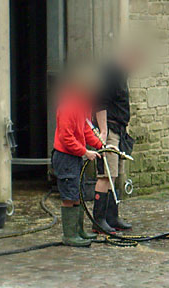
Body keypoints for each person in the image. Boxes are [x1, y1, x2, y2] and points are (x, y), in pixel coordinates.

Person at [51, 69, 104, 247]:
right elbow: (67, 138)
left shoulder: (83, 104)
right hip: (65, 157)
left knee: (78, 193)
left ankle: (79, 230)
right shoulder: (67, 107)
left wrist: (100, 145)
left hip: (75, 156)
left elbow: (85, 129)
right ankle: (69, 235)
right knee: (70, 195)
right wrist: (85, 152)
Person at [92, 51, 137, 235]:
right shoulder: (110, 74)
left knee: (115, 175)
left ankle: (112, 217)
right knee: (105, 175)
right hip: (109, 130)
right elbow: (99, 102)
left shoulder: (121, 74)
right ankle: (99, 220)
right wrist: (103, 131)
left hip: (119, 130)